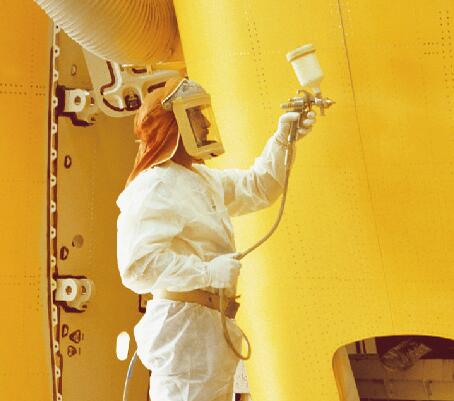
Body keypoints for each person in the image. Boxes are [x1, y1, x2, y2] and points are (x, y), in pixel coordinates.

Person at [116, 76, 316, 401]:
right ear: (175, 126)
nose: (206, 123)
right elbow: (137, 267)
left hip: (206, 328)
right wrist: (207, 273)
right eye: (196, 114)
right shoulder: (155, 186)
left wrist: (283, 140)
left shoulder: (202, 180)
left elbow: (258, 187)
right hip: (185, 329)